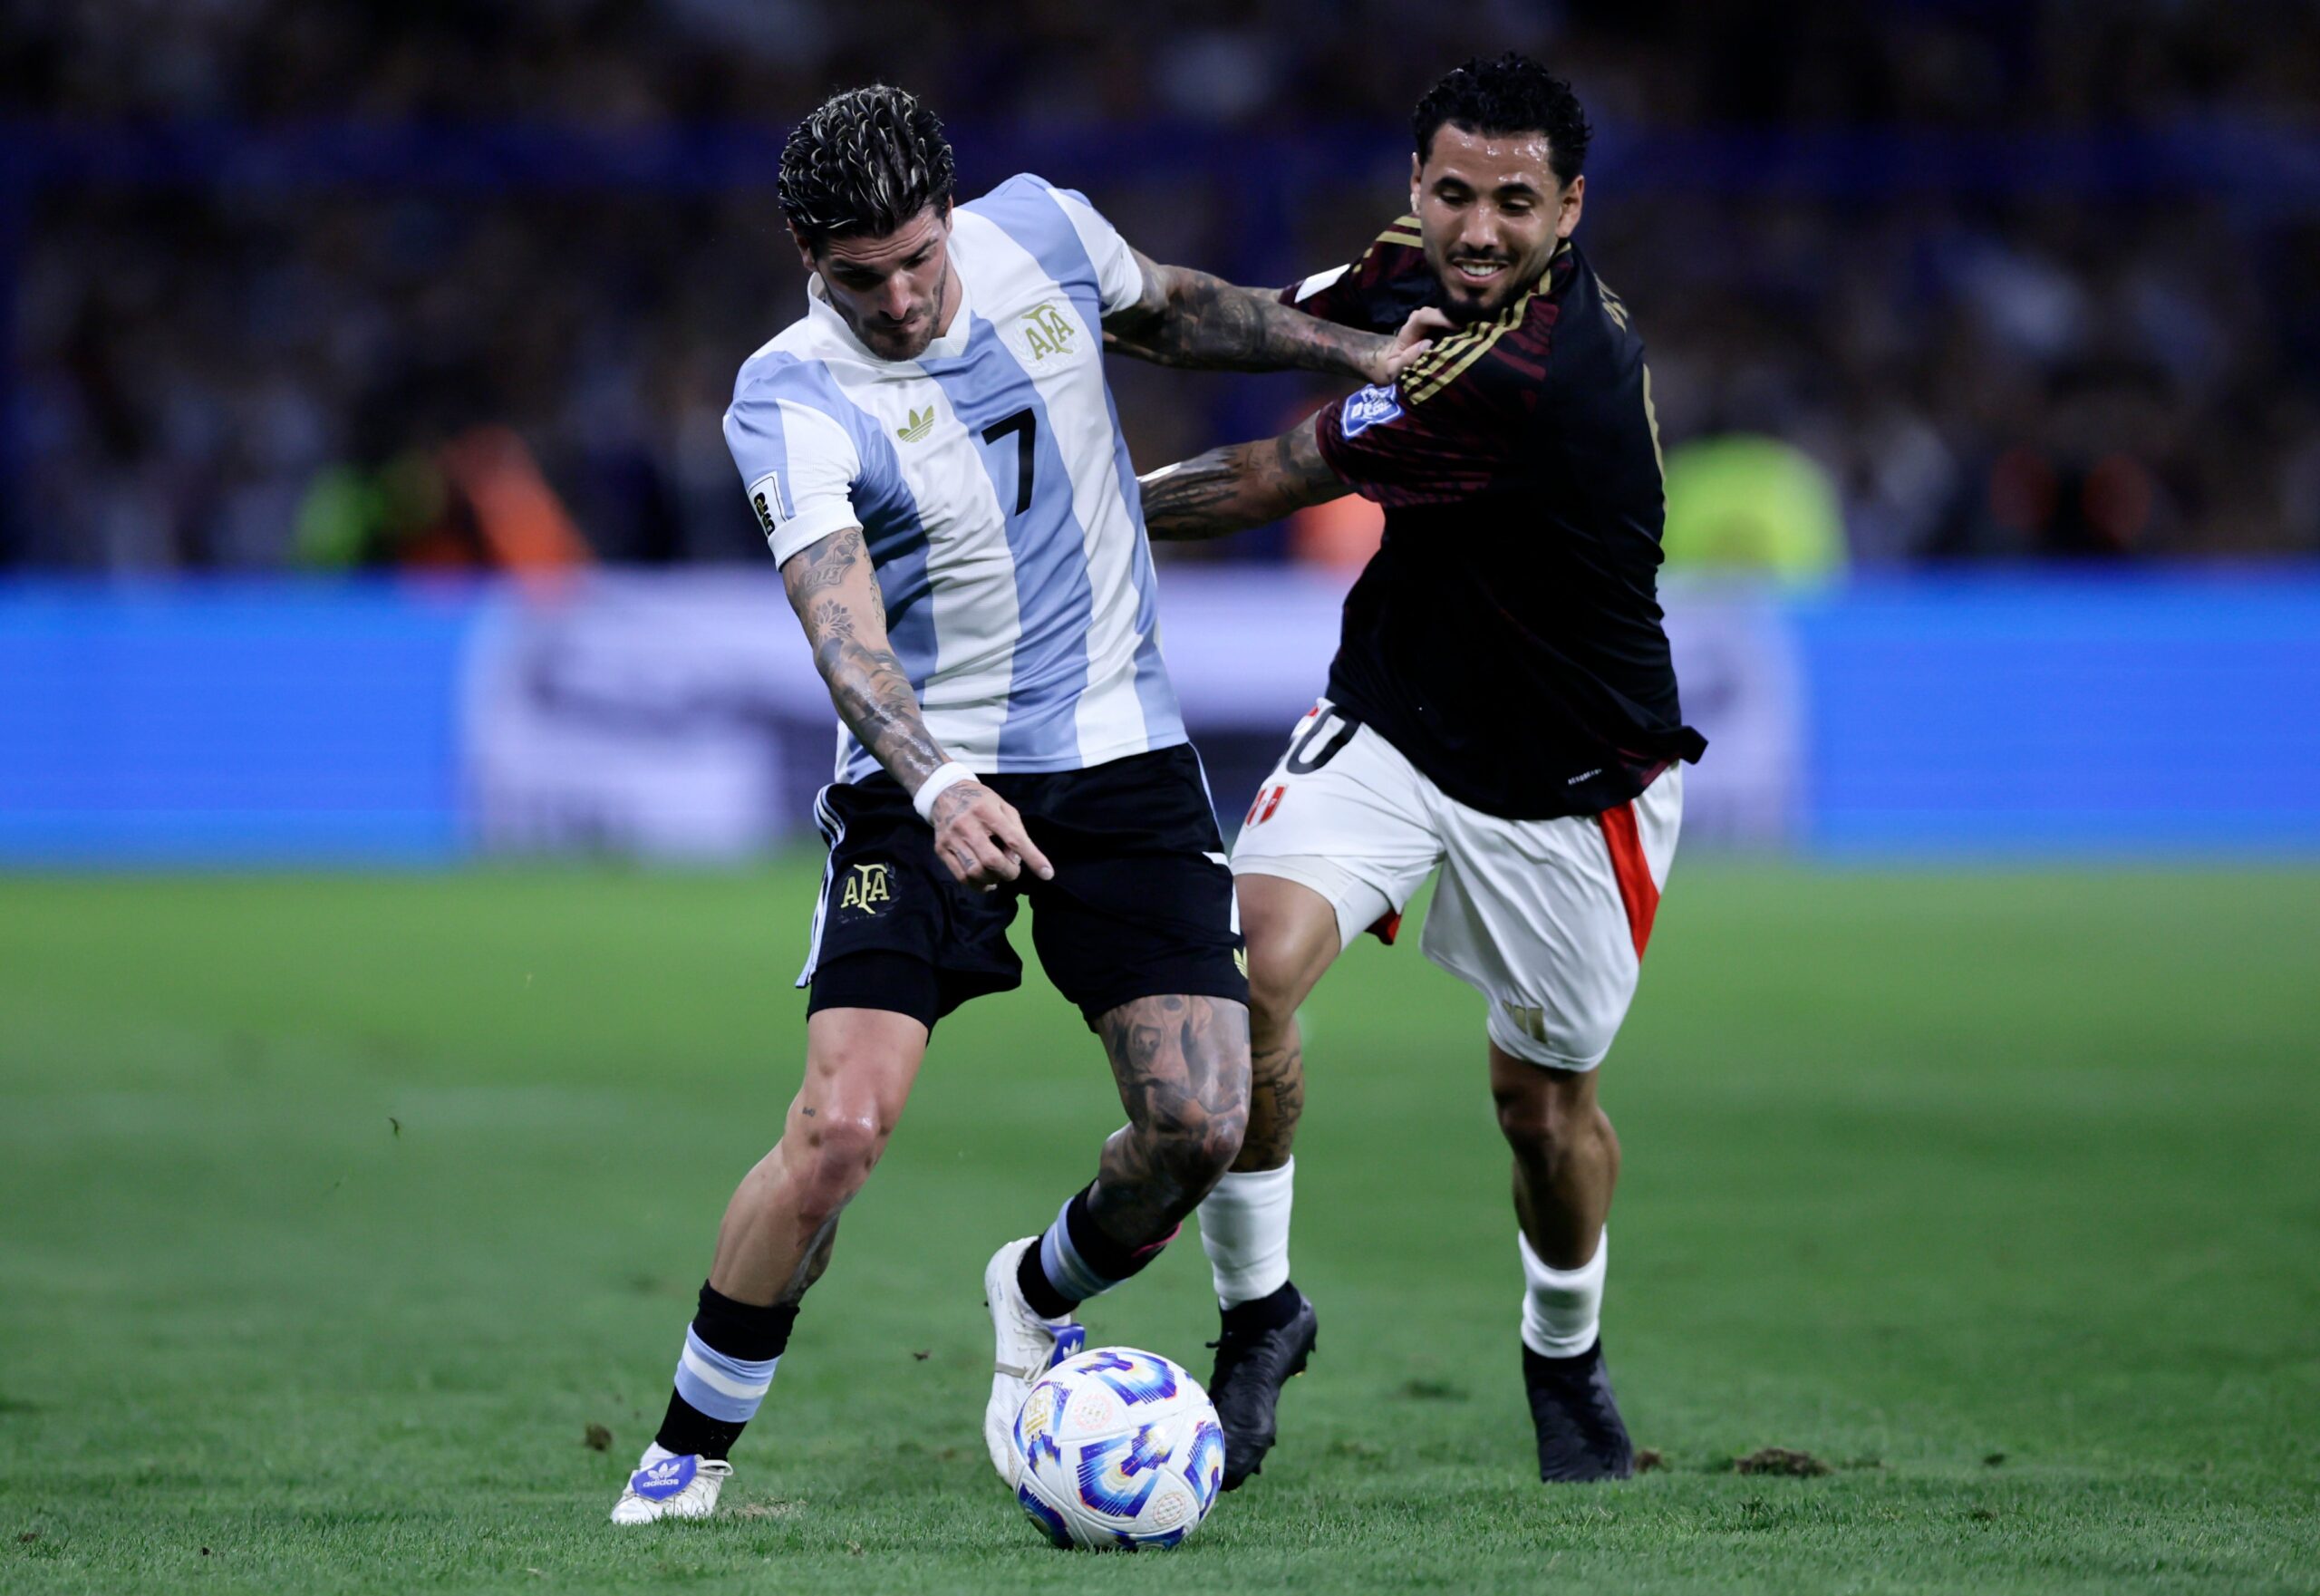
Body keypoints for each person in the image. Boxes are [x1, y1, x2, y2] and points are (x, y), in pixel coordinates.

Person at [610, 82, 1442, 1524]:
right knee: (840, 1128)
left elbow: (1178, 311)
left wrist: (1361, 348)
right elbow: (841, 631)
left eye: (916, 259)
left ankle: (1037, 1286)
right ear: (808, 256)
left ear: (952, 212)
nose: (899, 299)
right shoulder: (788, 394)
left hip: (1121, 751)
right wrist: (937, 780)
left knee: (1201, 1123)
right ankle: (685, 1455)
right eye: (858, 276)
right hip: (920, 777)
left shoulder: (1045, 232)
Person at [1134, 53, 1707, 1488]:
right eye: (1455, 193)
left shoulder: (1529, 369)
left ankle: (1563, 1351)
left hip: (1575, 772)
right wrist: (1063, 305)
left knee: (1543, 1109)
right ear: (1417, 187)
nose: (1478, 229)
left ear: (1570, 210)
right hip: (1397, 714)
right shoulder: (1418, 263)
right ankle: (1258, 1313)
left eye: (1515, 203)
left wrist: (1047, 523)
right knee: (1247, 969)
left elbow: (1267, 477)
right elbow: (1250, 320)